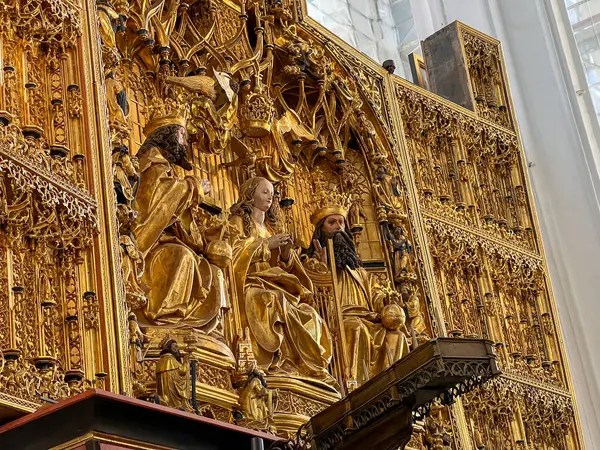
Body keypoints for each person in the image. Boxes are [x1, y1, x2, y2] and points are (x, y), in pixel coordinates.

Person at [229, 177, 336, 388]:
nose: (270, 196)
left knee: (310, 314)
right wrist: (265, 245)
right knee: (275, 301)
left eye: (272, 193)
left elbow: (283, 266)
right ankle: (277, 363)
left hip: (273, 282)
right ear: (250, 194)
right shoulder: (237, 222)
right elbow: (233, 253)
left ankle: (306, 368)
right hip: (250, 284)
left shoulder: (269, 229)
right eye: (264, 191)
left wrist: (286, 255)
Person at [133, 117, 227, 331]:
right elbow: (159, 202)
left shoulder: (166, 169)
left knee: (210, 270)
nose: (185, 144)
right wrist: (195, 188)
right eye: (182, 136)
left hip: (165, 241)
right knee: (182, 257)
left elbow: (173, 218)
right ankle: (164, 318)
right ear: (167, 135)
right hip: (149, 247)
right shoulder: (151, 162)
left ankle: (191, 327)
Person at [304, 210, 409, 386]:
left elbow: (375, 294)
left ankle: (392, 387)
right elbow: (311, 296)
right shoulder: (313, 264)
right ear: (321, 231)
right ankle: (352, 386)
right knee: (355, 328)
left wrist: (387, 301)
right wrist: (323, 268)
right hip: (337, 320)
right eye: (332, 222)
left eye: (341, 223)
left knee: (397, 336)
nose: (338, 227)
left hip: (369, 319)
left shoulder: (360, 272)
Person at [155, 338, 190, 411]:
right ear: (169, 348)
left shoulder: (160, 361)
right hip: (172, 393)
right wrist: (186, 361)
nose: (177, 349)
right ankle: (174, 404)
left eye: (177, 347)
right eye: (175, 347)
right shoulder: (171, 360)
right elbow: (182, 371)